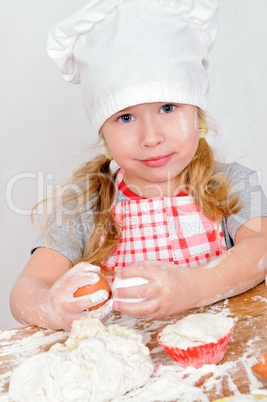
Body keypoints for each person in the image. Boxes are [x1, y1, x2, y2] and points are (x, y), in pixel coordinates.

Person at [10, 0, 267, 331]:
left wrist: (191, 288)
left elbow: (260, 250)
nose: (150, 137)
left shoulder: (234, 184)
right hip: (135, 374)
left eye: (168, 107)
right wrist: (51, 307)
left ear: (197, 114)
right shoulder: (88, 204)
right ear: (103, 132)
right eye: (125, 117)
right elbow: (25, 290)